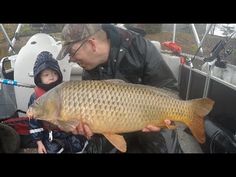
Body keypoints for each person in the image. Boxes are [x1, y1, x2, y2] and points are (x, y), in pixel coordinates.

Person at [56, 24, 182, 153]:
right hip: (115, 124)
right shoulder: (89, 70)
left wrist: (161, 121)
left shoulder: (140, 47)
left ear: (92, 44)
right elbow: (95, 116)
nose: (71, 59)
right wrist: (88, 127)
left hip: (150, 119)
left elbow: (169, 89)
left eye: (72, 52)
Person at [29, 51, 87, 153]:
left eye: (54, 73)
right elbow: (34, 124)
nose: (51, 77)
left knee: (79, 146)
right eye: (46, 75)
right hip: (52, 134)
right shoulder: (35, 98)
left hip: (70, 131)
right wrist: (39, 142)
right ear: (39, 78)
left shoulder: (66, 89)